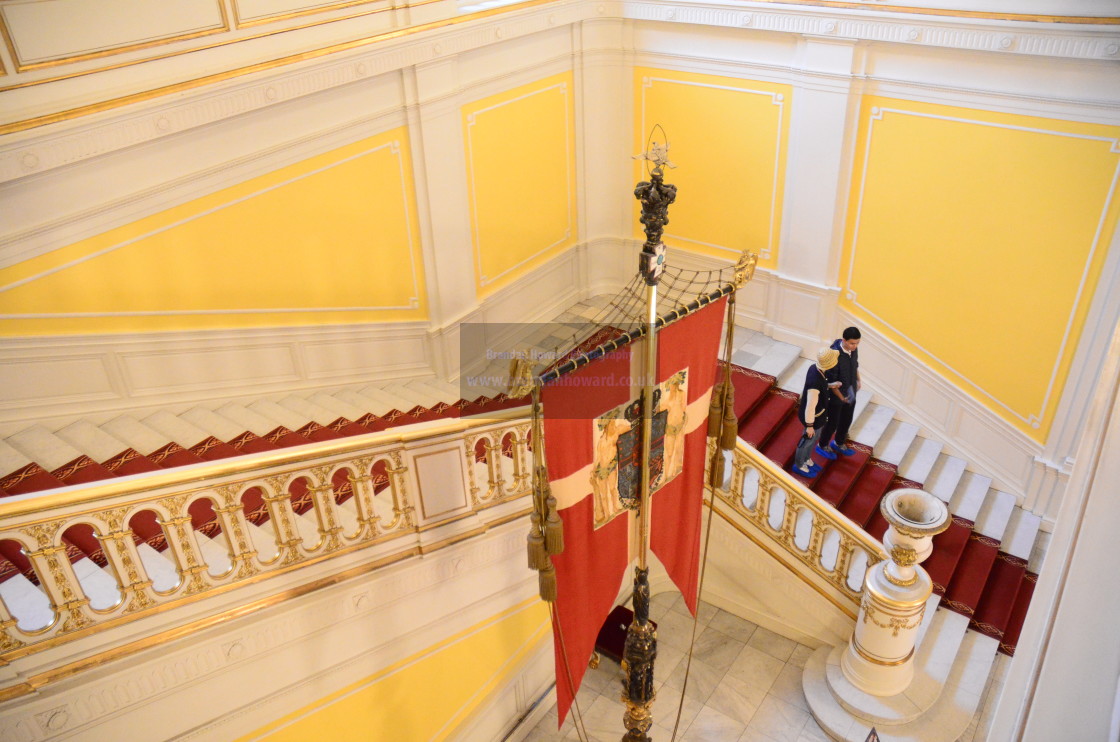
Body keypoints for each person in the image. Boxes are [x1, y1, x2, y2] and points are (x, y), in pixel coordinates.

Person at [792, 348, 841, 477]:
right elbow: (810, 406)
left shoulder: (815, 368)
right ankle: (799, 464)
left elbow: (822, 384)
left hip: (819, 417)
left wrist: (830, 385)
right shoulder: (815, 383)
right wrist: (809, 426)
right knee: (806, 441)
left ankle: (806, 459)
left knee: (813, 440)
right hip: (812, 418)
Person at [816, 326, 861, 459]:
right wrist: (842, 398)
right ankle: (823, 445)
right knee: (833, 422)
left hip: (850, 390)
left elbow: (855, 365)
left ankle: (839, 442)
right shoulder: (833, 355)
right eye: (852, 343)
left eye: (857, 343)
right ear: (844, 340)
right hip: (836, 396)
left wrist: (858, 380)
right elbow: (832, 382)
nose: (855, 346)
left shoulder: (854, 349)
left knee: (847, 418)